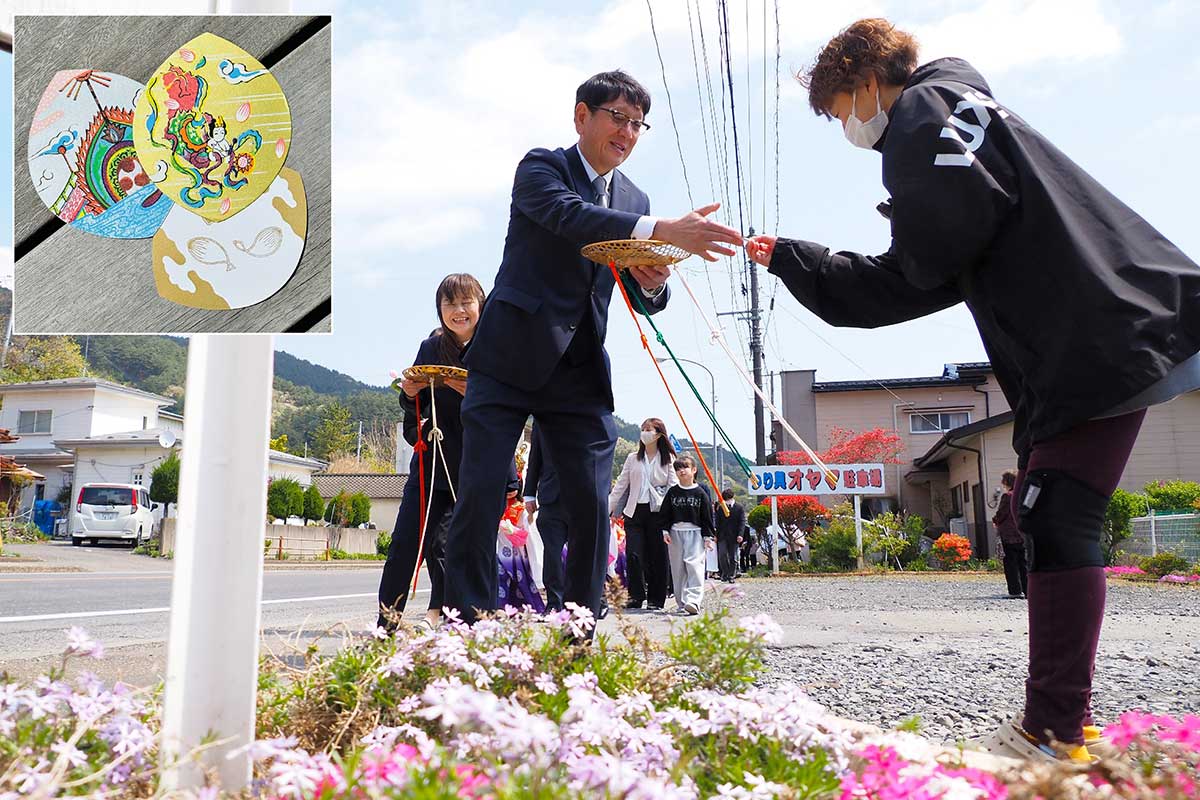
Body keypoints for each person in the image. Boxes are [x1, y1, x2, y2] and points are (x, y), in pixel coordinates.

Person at [746, 18, 1200, 760]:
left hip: (1091, 336)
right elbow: (941, 255)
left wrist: (802, 259)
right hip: (1124, 312)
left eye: (839, 112)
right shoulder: (965, 106)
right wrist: (806, 259)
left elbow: (919, 267)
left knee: (1053, 519)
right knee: (1058, 517)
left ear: (864, 80)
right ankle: (1064, 725)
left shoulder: (921, 117)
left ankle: (1052, 731)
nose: (849, 130)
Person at [443, 70, 743, 626]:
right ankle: (466, 625)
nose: (628, 132)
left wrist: (652, 277)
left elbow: (640, 290)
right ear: (582, 116)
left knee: (589, 503)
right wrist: (661, 230)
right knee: (481, 495)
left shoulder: (634, 198)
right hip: (508, 357)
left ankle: (579, 623)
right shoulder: (542, 167)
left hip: (580, 369)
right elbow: (569, 217)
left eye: (638, 124)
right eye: (618, 118)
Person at [377, 274, 519, 631]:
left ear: (481, 305)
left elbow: (512, 410)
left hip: (480, 465)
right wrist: (409, 394)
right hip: (432, 463)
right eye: (449, 304)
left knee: (473, 547)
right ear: (439, 310)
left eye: (465, 302)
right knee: (405, 546)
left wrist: (474, 394)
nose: (458, 311)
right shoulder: (431, 348)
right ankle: (385, 626)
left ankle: (472, 626)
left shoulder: (498, 345)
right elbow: (415, 410)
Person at [609, 418, 678, 609]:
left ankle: (657, 598)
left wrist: (672, 514)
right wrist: (607, 508)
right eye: (642, 429)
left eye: (649, 429)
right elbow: (621, 486)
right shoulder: (633, 458)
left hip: (658, 512)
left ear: (659, 434)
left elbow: (673, 486)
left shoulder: (668, 459)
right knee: (633, 555)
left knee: (658, 555)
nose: (645, 433)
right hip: (635, 511)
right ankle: (636, 596)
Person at [658, 455, 715, 615]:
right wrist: (665, 531)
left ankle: (693, 600)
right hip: (675, 533)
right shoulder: (672, 492)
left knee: (695, 566)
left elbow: (707, 516)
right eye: (678, 468)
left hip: (695, 533)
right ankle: (682, 602)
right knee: (677, 569)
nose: (681, 471)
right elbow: (665, 514)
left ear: (694, 470)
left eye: (685, 467)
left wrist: (707, 536)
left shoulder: (700, 492)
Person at [524, 423, 566, 611]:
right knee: (552, 552)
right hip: (550, 497)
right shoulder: (542, 421)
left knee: (584, 552)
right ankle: (555, 602)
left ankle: (593, 600)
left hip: (583, 496)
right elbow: (535, 459)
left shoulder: (586, 411)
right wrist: (529, 494)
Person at [994, 470, 1026, 598]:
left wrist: (995, 521)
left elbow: (1002, 513)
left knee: (1010, 562)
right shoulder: (1023, 495)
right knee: (1023, 562)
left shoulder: (1007, 496)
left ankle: (1015, 591)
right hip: (1022, 532)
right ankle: (1027, 590)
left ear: (1007, 482)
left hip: (1009, 534)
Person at [715, 488, 746, 582]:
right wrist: (716, 535)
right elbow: (717, 522)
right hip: (722, 535)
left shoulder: (739, 507)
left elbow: (742, 522)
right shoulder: (721, 508)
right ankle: (725, 573)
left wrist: (740, 534)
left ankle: (732, 575)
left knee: (733, 556)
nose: (726, 501)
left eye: (728, 499)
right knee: (722, 555)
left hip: (734, 536)